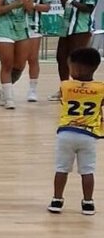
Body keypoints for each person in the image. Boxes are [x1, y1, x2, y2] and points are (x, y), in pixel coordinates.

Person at [47, 47, 103, 216]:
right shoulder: (101, 88)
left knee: (61, 169)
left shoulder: (65, 86)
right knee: (87, 170)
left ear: (77, 69)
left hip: (66, 133)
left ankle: (57, 200)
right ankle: (88, 203)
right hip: (89, 135)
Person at [51, 0, 99, 102]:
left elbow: (88, 7)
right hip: (66, 28)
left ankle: (82, 90)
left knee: (77, 61)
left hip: (80, 29)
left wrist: (69, 0)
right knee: (61, 58)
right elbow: (68, 5)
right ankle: (64, 89)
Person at [0, 0, 32, 110]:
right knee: (7, 64)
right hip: (4, 27)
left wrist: (28, 2)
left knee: (20, 65)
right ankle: (9, 99)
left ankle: (4, 91)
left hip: (22, 28)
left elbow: (29, 10)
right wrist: (16, 3)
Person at [20, 0, 53, 102]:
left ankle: (32, 90)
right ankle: (7, 87)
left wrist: (31, 5)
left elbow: (46, 7)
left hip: (34, 26)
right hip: (16, 26)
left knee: (32, 58)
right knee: (15, 60)